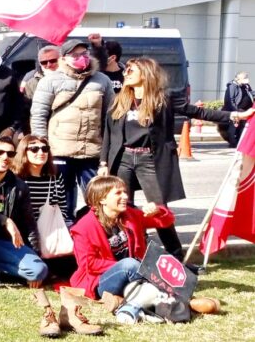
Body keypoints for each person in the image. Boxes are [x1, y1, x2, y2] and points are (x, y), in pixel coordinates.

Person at [99, 58, 254, 256]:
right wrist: (103, 162)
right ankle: (136, 253)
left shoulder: (163, 98)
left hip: (150, 160)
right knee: (123, 209)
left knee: (159, 209)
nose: (125, 73)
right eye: (126, 70)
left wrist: (235, 116)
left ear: (145, 73)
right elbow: (108, 133)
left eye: (130, 70)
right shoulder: (119, 98)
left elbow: (197, 111)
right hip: (123, 159)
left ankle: (176, 256)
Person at [0, 136, 66, 337]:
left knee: (38, 270)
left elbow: (29, 223)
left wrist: (35, 256)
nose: (4, 157)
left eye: (10, 153)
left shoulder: (18, 186)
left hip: (1, 244)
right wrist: (4, 220)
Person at [69, 175, 175, 325]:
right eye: (118, 193)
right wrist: (124, 266)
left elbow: (166, 221)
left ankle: (136, 307)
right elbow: (89, 264)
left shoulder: (130, 215)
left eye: (125, 192)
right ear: (102, 199)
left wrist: (157, 211)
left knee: (149, 267)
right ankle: (167, 301)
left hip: (134, 273)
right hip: (100, 282)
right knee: (129, 265)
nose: (125, 196)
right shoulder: (83, 228)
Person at [30, 38, 115, 216]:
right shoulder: (50, 80)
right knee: (63, 200)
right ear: (64, 58)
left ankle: (95, 234)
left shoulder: (101, 80)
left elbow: (111, 116)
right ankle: (67, 235)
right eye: (74, 55)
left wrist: (107, 149)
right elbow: (38, 115)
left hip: (91, 150)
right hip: (59, 150)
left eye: (84, 53)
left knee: (97, 198)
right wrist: (42, 146)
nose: (80, 57)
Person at [12, 134, 74, 275]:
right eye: (34, 149)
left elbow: (62, 207)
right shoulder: (16, 178)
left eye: (45, 149)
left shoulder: (55, 176)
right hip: (24, 230)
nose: (41, 153)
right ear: (24, 152)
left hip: (50, 230)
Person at [19, 45, 60, 120]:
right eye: (44, 62)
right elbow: (27, 111)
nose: (49, 65)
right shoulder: (31, 83)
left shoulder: (74, 78)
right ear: (40, 64)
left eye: (53, 60)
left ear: (61, 60)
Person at [223, 71, 255, 147]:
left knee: (243, 127)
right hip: (238, 109)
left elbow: (251, 93)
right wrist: (236, 111)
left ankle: (241, 143)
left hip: (247, 110)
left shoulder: (246, 86)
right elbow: (230, 100)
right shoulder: (232, 86)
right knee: (234, 127)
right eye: (245, 78)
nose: (246, 79)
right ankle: (233, 143)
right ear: (238, 78)